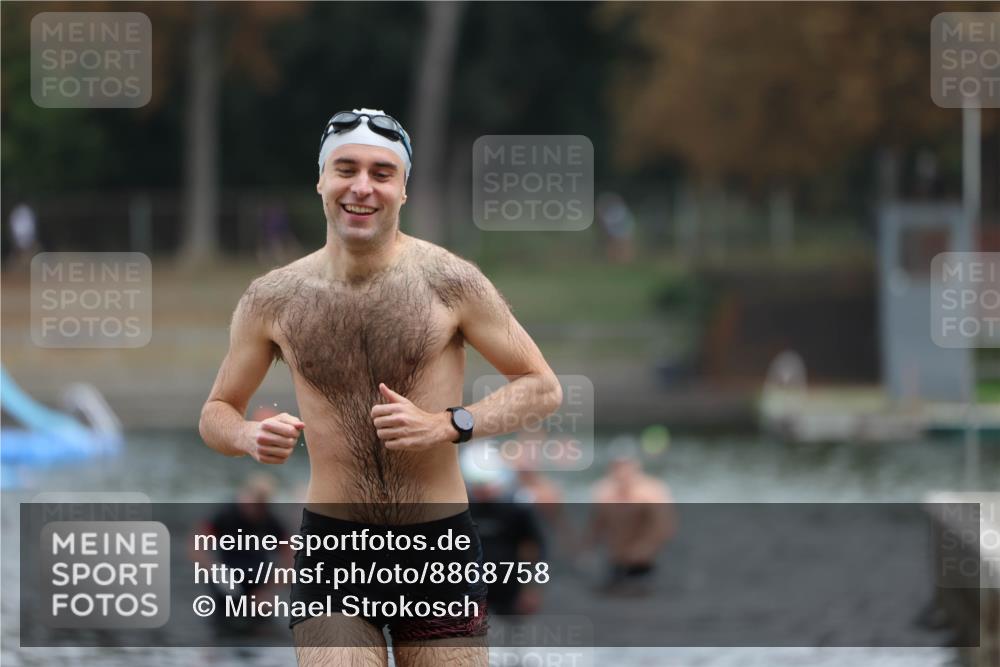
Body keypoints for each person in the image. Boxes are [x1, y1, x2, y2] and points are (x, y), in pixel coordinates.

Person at [199, 108, 562, 667]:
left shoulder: (451, 281)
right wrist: (246, 435)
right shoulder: (273, 298)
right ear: (321, 180)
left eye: (381, 173)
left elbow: (542, 387)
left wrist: (448, 424)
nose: (362, 187)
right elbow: (216, 411)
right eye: (346, 169)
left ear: (403, 189)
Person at [588, 449, 675, 595]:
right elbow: (597, 523)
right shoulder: (604, 491)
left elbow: (665, 525)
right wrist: (587, 545)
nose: (622, 471)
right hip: (616, 561)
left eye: (626, 466)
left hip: (643, 560)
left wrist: (645, 548)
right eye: (618, 467)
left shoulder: (651, 491)